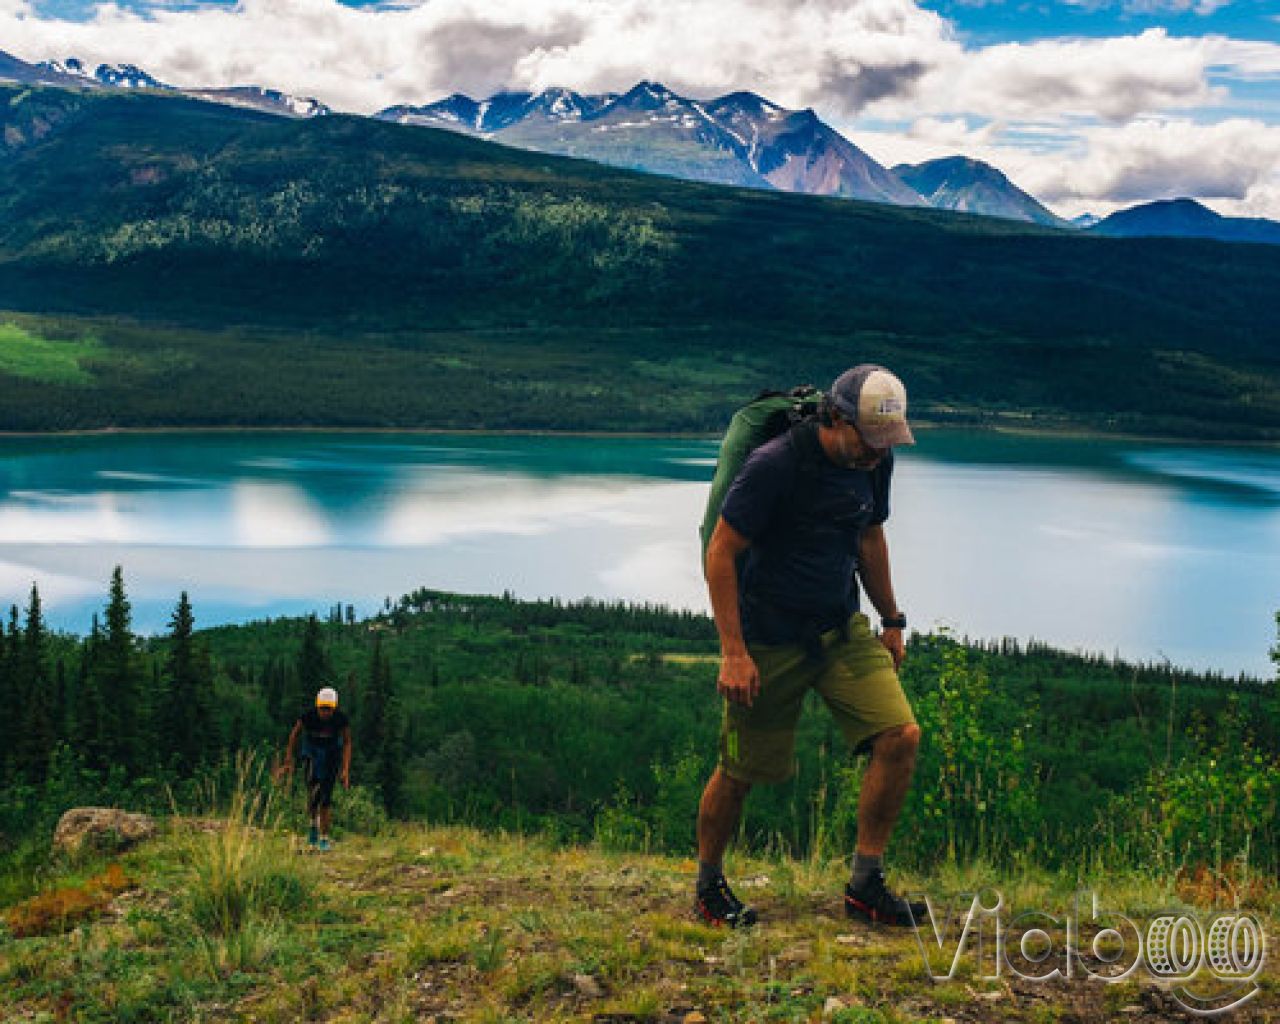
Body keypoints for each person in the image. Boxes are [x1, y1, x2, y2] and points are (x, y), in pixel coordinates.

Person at [695, 364, 924, 928]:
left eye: (886, 443)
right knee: (741, 768)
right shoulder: (775, 465)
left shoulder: (875, 461)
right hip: (768, 637)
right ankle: (708, 886)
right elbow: (721, 552)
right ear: (836, 418)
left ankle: (865, 886)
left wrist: (891, 619)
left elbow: (869, 534)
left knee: (899, 736)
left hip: (838, 627)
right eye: (869, 440)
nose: (877, 453)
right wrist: (734, 652)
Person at [282, 686, 352, 851]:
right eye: (322, 708)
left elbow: (347, 742)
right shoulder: (308, 717)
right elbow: (294, 734)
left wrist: (345, 770)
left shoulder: (340, 719)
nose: (325, 712)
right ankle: (313, 827)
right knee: (313, 793)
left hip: (331, 755)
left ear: (334, 708)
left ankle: (324, 838)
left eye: (328, 709)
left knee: (326, 798)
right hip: (311, 753)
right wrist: (288, 759)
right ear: (317, 706)